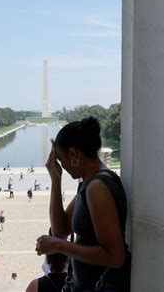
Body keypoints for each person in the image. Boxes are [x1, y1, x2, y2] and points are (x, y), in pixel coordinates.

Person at [35, 117, 131, 291]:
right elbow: (61, 230)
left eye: (61, 160)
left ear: (73, 154)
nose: (62, 165)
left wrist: (57, 246)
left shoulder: (98, 187)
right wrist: (55, 181)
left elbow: (116, 257)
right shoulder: (89, 184)